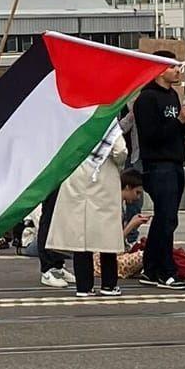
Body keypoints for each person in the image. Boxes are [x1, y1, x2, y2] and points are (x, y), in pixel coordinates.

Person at [133, 53, 185, 289]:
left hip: (174, 162)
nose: (178, 70)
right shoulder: (146, 99)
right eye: (173, 66)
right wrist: (179, 122)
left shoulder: (173, 95)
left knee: (167, 219)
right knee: (165, 219)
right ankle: (165, 271)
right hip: (157, 165)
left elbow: (171, 132)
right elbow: (151, 136)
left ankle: (151, 268)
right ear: (160, 69)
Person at [48, 120, 128, 298]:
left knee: (80, 235)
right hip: (102, 179)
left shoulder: (76, 118)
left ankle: (84, 287)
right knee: (107, 236)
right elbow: (120, 151)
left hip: (77, 177)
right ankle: (109, 285)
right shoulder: (106, 120)